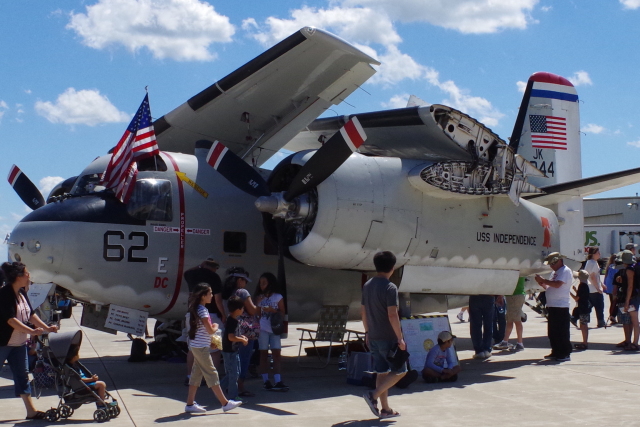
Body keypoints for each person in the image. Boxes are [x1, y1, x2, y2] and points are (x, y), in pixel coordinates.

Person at [0, 262, 58, 420]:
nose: (29, 275)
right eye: (26, 273)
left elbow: (31, 315)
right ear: (18, 276)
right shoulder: (4, 294)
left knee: (23, 376)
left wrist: (46, 327)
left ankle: (31, 411)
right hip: (2, 343)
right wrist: (31, 331)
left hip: (18, 344)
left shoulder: (22, 292)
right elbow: (11, 320)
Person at [361, 251, 406, 420]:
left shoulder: (368, 285)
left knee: (382, 372)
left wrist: (367, 331)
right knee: (400, 370)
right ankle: (373, 395)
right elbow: (392, 314)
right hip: (388, 336)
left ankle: (385, 409)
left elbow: (363, 311)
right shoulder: (390, 287)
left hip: (373, 335)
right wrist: (400, 338)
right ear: (392, 268)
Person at [184, 283, 241, 414]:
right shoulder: (202, 310)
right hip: (201, 348)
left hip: (198, 346)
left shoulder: (196, 308)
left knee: (196, 376)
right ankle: (225, 403)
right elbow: (210, 330)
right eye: (209, 294)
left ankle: (190, 404)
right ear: (203, 296)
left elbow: (201, 330)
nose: (211, 296)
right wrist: (216, 326)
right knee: (212, 374)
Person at [183, 258, 224, 386]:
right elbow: (218, 299)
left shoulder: (191, 274)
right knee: (215, 347)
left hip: (191, 314)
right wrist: (223, 315)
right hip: (210, 314)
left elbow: (187, 271)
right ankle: (212, 377)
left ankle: (190, 376)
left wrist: (199, 266)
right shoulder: (214, 277)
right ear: (214, 267)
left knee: (192, 347)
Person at [222, 267, 259, 398]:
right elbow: (253, 310)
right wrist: (258, 303)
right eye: (244, 281)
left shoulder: (227, 293)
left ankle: (228, 387)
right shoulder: (242, 292)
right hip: (245, 331)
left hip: (232, 329)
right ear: (239, 281)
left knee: (233, 361)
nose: (246, 284)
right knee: (243, 360)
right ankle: (240, 387)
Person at [534, 252, 573, 362]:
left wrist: (544, 281)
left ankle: (564, 353)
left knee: (562, 331)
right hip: (553, 305)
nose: (551, 266)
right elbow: (551, 287)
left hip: (561, 306)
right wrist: (542, 284)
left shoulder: (565, 271)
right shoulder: (555, 272)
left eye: (553, 264)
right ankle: (556, 351)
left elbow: (557, 284)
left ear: (559, 261)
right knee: (553, 331)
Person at [254, 272, 288, 391]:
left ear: (270, 283)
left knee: (276, 354)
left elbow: (282, 313)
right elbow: (257, 314)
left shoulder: (278, 297)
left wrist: (273, 310)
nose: (262, 285)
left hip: (274, 328)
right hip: (263, 328)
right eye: (260, 283)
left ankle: (278, 380)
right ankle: (265, 380)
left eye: (264, 283)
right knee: (263, 354)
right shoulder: (259, 297)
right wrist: (258, 304)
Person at [221, 296, 249, 401]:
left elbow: (234, 334)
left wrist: (242, 337)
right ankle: (233, 396)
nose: (243, 310)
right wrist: (241, 340)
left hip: (233, 350)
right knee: (233, 374)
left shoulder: (233, 320)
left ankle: (219, 387)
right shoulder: (232, 321)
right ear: (237, 309)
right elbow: (230, 337)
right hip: (229, 351)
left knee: (234, 373)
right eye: (242, 308)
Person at [612, 250, 639, 351]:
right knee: (633, 320)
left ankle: (635, 343)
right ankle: (633, 342)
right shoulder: (635, 267)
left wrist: (627, 301)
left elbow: (630, 286)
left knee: (635, 321)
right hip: (635, 296)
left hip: (632, 297)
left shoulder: (629, 269)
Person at [494, 277, 526, 352]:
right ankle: (506, 341)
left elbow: (509, 282)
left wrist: (501, 294)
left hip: (514, 296)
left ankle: (519, 343)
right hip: (514, 295)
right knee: (510, 319)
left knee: (516, 320)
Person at [468, 294, 495, 359]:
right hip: (489, 296)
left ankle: (479, 350)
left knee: (476, 325)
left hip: (475, 296)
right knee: (488, 324)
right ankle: (487, 348)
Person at [585, 247, 606, 328]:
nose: (599, 254)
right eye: (598, 253)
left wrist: (601, 284)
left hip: (589, 288)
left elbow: (596, 276)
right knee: (600, 306)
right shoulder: (593, 263)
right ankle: (601, 321)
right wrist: (598, 288)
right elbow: (593, 276)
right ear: (593, 254)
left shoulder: (589, 262)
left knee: (589, 306)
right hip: (594, 289)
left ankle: (577, 317)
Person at [572, 270, 591, 350]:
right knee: (584, 325)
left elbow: (577, 298)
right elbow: (582, 295)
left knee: (583, 326)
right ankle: (585, 342)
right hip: (586, 307)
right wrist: (576, 291)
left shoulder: (581, 286)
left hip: (583, 308)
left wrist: (569, 293)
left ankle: (585, 342)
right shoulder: (585, 285)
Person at [603, 253, 618, 324]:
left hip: (609, 287)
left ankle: (612, 315)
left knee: (612, 302)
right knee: (615, 302)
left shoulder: (609, 267)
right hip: (613, 287)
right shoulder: (614, 267)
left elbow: (606, 278)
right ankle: (612, 316)